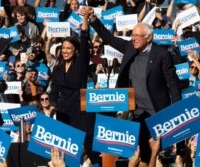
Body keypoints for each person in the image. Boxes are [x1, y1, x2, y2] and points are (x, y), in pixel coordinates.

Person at [81, 6, 182, 166]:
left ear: (149, 38)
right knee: (140, 153)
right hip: (135, 112)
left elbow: (173, 84)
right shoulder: (130, 47)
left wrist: (175, 111)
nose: (133, 38)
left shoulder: (162, 55)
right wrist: (92, 18)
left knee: (154, 153)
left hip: (156, 112)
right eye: (133, 35)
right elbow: (108, 37)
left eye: (137, 36)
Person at [49, 13, 101, 165]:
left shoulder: (81, 64)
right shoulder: (58, 68)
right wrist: (52, 105)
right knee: (68, 152)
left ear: (76, 51)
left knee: (90, 149)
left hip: (81, 113)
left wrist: (85, 18)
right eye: (63, 48)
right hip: (64, 113)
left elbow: (84, 38)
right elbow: (54, 90)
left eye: (68, 48)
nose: (65, 51)